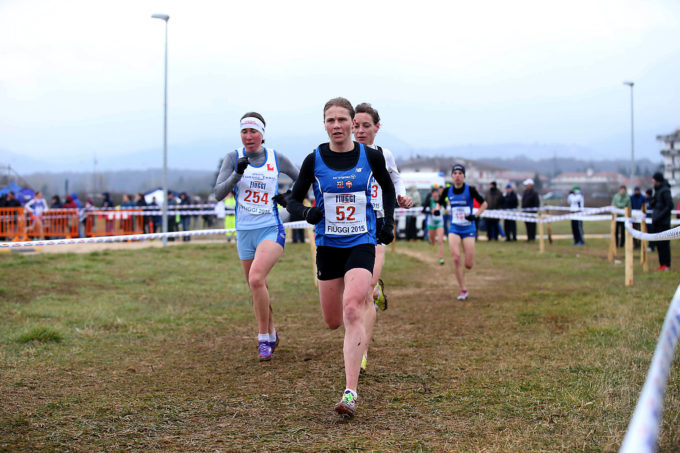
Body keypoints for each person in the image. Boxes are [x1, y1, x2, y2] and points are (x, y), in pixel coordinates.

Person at [286, 98, 396, 418]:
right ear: (324, 125)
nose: (337, 125)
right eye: (330, 120)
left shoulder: (370, 156)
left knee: (352, 308)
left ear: (352, 122)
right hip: (328, 246)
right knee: (333, 321)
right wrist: (308, 212)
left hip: (361, 241)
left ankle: (350, 392)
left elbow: (387, 189)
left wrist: (387, 221)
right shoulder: (314, 159)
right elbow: (293, 200)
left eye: (342, 119)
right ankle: (367, 303)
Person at [214, 112, 299, 362]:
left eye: (253, 131)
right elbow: (219, 193)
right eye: (244, 131)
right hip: (244, 232)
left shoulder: (276, 158)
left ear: (262, 133)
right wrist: (237, 174)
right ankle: (272, 333)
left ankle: (262, 338)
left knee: (256, 278)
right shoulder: (232, 158)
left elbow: (304, 179)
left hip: (270, 228)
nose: (249, 136)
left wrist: (291, 197)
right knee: (256, 286)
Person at [351, 102, 412, 375]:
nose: (360, 131)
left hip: (377, 224)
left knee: (365, 290)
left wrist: (401, 195)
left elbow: (396, 178)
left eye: (366, 125)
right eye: (356, 126)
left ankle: (361, 351)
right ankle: (376, 292)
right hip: (349, 227)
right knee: (357, 293)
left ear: (377, 127)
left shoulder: (383, 154)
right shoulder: (342, 154)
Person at [437, 164, 487, 300]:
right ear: (452, 176)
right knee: (456, 258)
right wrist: (437, 209)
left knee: (468, 264)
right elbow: (439, 203)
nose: (457, 175)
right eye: (455, 173)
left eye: (460, 173)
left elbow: (484, 204)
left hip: (468, 228)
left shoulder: (470, 190)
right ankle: (463, 289)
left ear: (464, 176)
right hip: (454, 228)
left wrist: (476, 215)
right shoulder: (447, 191)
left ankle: (466, 274)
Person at [651, 173, 673, 270]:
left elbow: (669, 206)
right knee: (659, 244)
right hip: (657, 222)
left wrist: (659, 217)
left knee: (664, 245)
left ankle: (666, 265)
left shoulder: (665, 190)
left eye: (654, 179)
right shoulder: (657, 190)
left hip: (663, 223)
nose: (652, 181)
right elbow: (655, 204)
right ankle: (662, 264)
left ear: (657, 180)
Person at [424, 187, 446, 264]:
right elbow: (423, 210)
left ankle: (441, 258)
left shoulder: (441, 200)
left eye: (437, 193)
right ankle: (431, 240)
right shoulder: (429, 200)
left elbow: (445, 209)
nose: (436, 194)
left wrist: (442, 211)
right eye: (434, 193)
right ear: (432, 194)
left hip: (440, 222)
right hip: (431, 222)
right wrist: (431, 211)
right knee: (433, 241)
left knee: (440, 240)